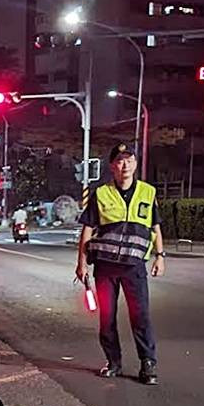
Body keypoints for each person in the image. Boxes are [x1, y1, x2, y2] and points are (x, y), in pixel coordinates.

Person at [74, 142, 165, 385]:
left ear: (135, 164)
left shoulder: (148, 192)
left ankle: (148, 364)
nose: (125, 165)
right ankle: (113, 362)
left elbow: (155, 225)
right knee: (107, 318)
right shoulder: (101, 194)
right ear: (112, 166)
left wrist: (160, 256)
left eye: (130, 160)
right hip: (105, 267)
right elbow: (87, 229)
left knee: (141, 316)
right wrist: (81, 264)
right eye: (120, 161)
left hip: (134, 267)